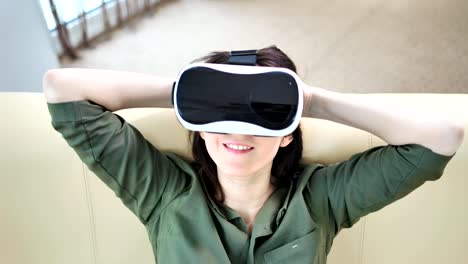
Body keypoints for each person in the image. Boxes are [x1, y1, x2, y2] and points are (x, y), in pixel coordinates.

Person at [43, 46, 463, 264]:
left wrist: (309, 100)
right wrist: (192, 90)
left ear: (287, 134)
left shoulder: (323, 200)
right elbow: (62, 87)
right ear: (200, 126)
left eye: (261, 116)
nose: (238, 131)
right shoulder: (161, 191)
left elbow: (442, 138)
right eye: (223, 114)